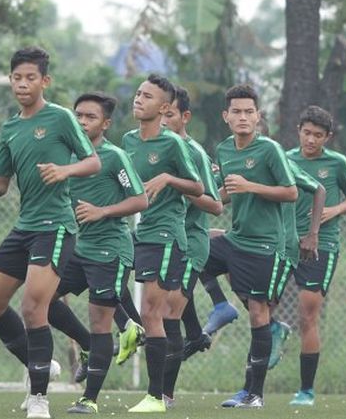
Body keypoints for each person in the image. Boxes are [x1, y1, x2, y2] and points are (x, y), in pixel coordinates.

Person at [0, 46, 101, 419]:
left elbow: (93, 161)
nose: (22, 84)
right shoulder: (10, 128)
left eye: (30, 78)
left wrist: (65, 171)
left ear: (44, 81)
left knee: (33, 307)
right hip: (24, 228)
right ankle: (43, 364)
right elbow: (0, 184)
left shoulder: (60, 118)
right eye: (17, 78)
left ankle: (39, 398)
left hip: (55, 228)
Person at [202, 84, 297, 408]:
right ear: (226, 116)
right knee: (191, 255)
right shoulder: (224, 150)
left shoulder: (269, 150)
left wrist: (250, 186)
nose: (243, 117)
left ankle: (253, 394)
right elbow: (227, 193)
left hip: (265, 247)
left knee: (258, 314)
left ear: (258, 116)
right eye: (237, 112)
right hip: (236, 238)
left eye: (249, 112)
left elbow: (291, 192)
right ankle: (213, 312)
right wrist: (202, 199)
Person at [53, 92, 148, 414]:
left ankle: (89, 399)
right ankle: (87, 345)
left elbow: (139, 200)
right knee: (41, 302)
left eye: (90, 117)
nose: (81, 121)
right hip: (75, 249)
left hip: (109, 250)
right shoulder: (68, 156)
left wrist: (102, 211)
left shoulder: (114, 157)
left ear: (105, 123)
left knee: (100, 321)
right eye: (78, 115)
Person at [122, 74, 204, 413]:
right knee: (101, 278)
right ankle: (126, 329)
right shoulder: (127, 140)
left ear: (165, 107)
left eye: (148, 96)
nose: (139, 99)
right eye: (138, 93)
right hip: (140, 233)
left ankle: (156, 397)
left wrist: (168, 177)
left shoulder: (173, 144)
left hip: (167, 235)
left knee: (152, 313)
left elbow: (199, 189)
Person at [285, 105, 346, 405]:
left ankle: (306, 390)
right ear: (298, 131)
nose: (311, 140)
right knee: (260, 305)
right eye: (307, 133)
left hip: (322, 245)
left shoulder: (337, 163)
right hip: (286, 243)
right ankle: (254, 387)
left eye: (318, 135)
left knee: (307, 315)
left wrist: (333, 210)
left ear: (327, 137)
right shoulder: (287, 159)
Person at [158, 85, 223, 408]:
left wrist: (179, 187)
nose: (163, 120)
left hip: (190, 243)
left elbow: (215, 206)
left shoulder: (194, 152)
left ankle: (163, 394)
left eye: (169, 114)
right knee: (154, 310)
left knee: (169, 312)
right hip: (159, 240)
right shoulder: (149, 147)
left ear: (184, 117)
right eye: (161, 113)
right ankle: (196, 334)